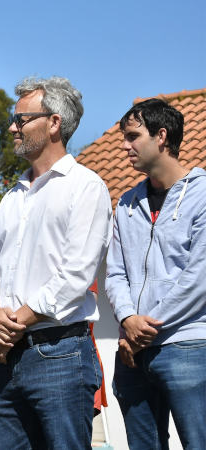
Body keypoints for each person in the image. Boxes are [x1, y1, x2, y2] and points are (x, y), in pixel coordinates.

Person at [0, 76, 112, 448]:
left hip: (61, 354)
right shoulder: (12, 198)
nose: (12, 127)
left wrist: (12, 323)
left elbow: (75, 276)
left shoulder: (86, 187)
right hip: (8, 357)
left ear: (54, 123)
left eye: (21, 119)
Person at [106, 98, 206, 448]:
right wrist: (127, 319)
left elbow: (199, 279)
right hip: (132, 354)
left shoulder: (203, 195)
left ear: (161, 136)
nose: (124, 146)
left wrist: (141, 328)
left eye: (133, 136)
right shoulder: (126, 204)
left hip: (189, 345)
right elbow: (115, 273)